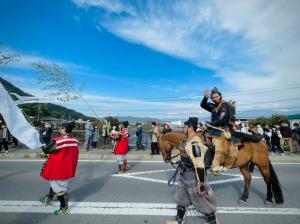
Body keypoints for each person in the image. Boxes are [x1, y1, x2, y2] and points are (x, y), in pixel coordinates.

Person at [166, 117, 218, 224]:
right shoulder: (187, 140)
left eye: (185, 127)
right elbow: (185, 156)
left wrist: (201, 183)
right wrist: (180, 165)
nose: (183, 129)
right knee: (181, 197)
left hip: (192, 175)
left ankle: (212, 221)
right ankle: (179, 220)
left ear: (190, 128)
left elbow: (199, 164)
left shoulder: (194, 143)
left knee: (201, 198)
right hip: (184, 174)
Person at [39, 121, 79, 216]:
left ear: (64, 129)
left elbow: (46, 150)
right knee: (59, 185)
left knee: (58, 187)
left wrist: (42, 139)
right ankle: (48, 198)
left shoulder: (59, 141)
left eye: (61, 128)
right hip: (68, 168)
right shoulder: (74, 140)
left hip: (57, 167)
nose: (60, 129)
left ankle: (63, 208)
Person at [200, 87, 235, 174]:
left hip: (223, 129)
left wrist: (210, 124)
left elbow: (221, 119)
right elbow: (203, 105)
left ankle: (215, 167)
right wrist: (205, 98)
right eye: (213, 98)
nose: (215, 99)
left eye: (216, 97)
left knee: (216, 142)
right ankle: (206, 161)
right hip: (214, 129)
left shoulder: (224, 105)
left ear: (220, 96)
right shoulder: (213, 106)